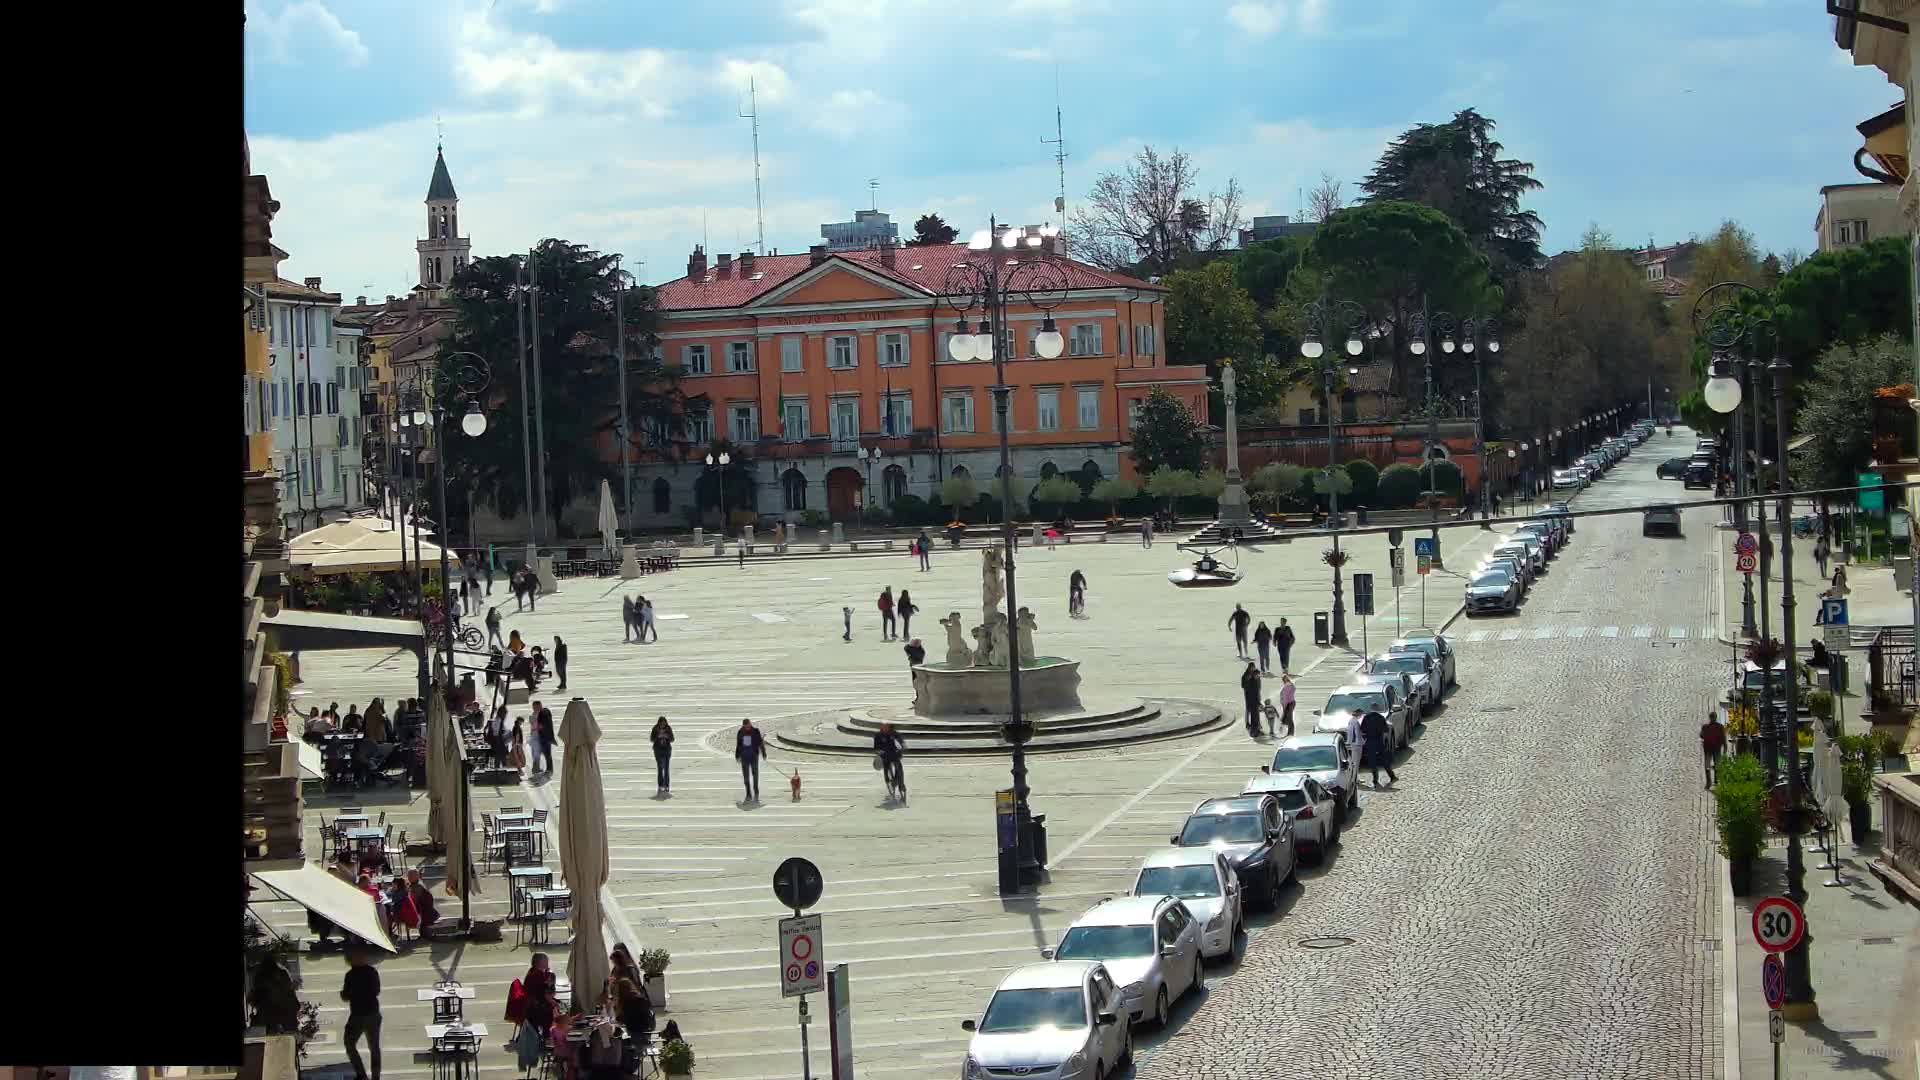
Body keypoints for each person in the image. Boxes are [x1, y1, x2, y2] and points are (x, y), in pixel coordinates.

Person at [341, 947, 382, 1080]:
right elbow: (376, 990)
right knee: (374, 1047)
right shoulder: (372, 971)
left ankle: (362, 1075)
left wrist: (350, 993)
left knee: (350, 1043)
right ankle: (374, 1077)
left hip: (359, 1015)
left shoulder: (351, 975)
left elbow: (346, 995)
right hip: (372, 1013)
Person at [1359, 708, 1396, 787]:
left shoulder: (1366, 717)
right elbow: (1386, 729)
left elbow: (1362, 729)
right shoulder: (1381, 717)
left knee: (1372, 761)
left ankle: (1375, 779)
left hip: (1370, 742)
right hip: (1379, 742)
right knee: (1383, 760)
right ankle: (1392, 775)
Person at [735, 718, 766, 802]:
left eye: (748, 726)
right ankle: (748, 793)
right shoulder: (740, 732)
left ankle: (756, 791)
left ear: (750, 724)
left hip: (754, 756)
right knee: (746, 777)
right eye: (745, 727)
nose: (747, 728)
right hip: (744, 757)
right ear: (743, 726)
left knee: (755, 774)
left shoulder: (756, 731)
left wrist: (763, 753)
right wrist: (737, 755)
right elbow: (738, 744)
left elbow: (760, 742)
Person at [874, 721, 906, 798]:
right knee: (886, 767)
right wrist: (879, 751)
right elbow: (876, 747)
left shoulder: (894, 734)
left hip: (895, 754)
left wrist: (903, 746)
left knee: (899, 769)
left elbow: (901, 742)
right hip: (885, 755)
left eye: (886, 726)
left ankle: (901, 785)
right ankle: (888, 780)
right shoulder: (878, 735)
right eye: (883, 726)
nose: (885, 727)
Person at [1700, 709, 1726, 789]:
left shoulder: (1705, 727)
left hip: (1707, 748)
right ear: (1716, 717)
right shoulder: (1720, 727)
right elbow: (1723, 738)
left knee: (1707, 765)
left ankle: (1708, 782)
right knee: (1717, 764)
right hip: (1717, 748)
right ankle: (1716, 780)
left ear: (1710, 718)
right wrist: (1725, 747)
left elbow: (1701, 735)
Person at [650, 716, 674, 794]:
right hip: (658, 750)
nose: (663, 725)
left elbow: (672, 739)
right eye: (661, 723)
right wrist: (658, 737)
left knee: (666, 769)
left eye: (664, 723)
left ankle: (666, 785)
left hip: (666, 750)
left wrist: (667, 736)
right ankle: (660, 785)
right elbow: (651, 739)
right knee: (660, 768)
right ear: (659, 723)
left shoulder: (668, 728)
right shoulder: (655, 728)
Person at [532, 701, 556, 775]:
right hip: (547, 737)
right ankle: (545, 769)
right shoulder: (546, 711)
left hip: (544, 737)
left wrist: (535, 728)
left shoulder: (542, 713)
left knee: (545, 753)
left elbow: (542, 725)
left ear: (539, 706)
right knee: (545, 753)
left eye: (534, 707)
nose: (533, 708)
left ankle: (548, 769)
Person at [1240, 662, 1263, 737]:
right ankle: (1252, 728)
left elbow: (1258, 686)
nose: (1258, 677)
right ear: (1250, 667)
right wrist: (1248, 679)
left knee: (1256, 715)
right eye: (1257, 676)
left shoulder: (1255, 675)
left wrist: (1259, 697)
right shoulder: (1246, 676)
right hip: (1250, 698)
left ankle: (1257, 729)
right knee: (1251, 713)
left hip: (1256, 698)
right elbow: (1244, 686)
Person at [1278, 673, 1297, 737]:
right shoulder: (1290, 685)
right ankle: (1290, 732)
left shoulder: (1287, 686)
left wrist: (1284, 706)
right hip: (1291, 703)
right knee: (1289, 718)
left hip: (1289, 703)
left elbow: (1285, 697)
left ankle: (1291, 732)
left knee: (1289, 718)